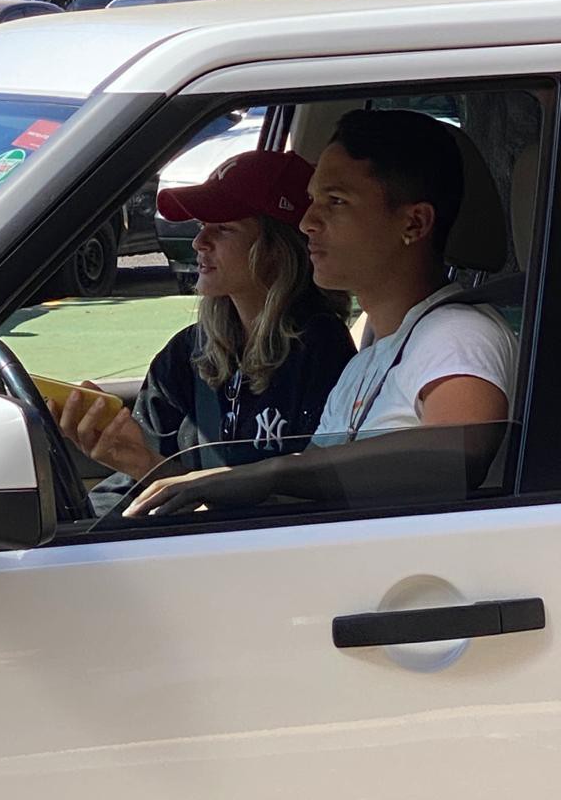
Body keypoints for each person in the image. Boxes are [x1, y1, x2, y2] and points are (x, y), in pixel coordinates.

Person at [125, 108, 519, 516]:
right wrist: (172, 477)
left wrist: (270, 472)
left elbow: (456, 455)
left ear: (414, 224)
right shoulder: (366, 364)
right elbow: (301, 500)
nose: (308, 221)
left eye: (336, 201)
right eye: (313, 200)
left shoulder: (458, 334)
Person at [51, 149, 356, 510]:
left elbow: (296, 512)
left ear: (278, 248)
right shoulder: (188, 352)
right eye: (200, 226)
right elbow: (132, 488)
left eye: (223, 228)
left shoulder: (321, 353)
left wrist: (146, 466)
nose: (199, 242)